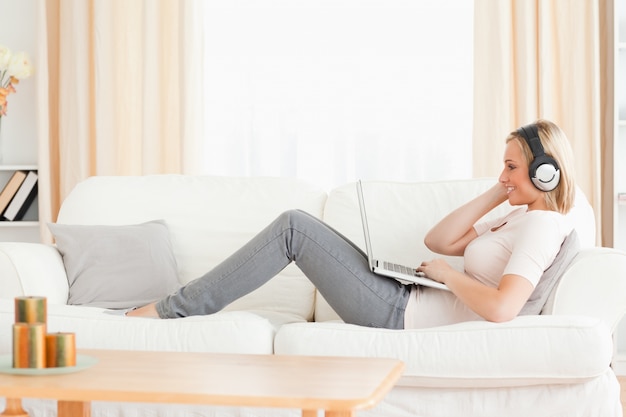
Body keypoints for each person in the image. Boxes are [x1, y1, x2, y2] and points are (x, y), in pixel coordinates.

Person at [128, 119, 576, 330]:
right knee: (295, 225)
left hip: (401, 314)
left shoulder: (542, 227)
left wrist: (445, 275)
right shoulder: (519, 215)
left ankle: (175, 308)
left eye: (513, 167)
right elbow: (438, 239)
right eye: (505, 166)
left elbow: (503, 308)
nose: (503, 174)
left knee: (293, 228)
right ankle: (178, 306)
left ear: (546, 173)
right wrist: (501, 189)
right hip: (405, 297)